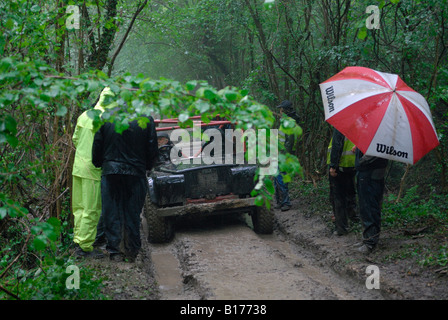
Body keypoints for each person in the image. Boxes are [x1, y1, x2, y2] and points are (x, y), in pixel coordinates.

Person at [92, 97, 159, 262]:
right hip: (136, 172)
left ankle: (114, 250)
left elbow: (97, 145)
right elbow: (152, 148)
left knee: (111, 212)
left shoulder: (105, 117)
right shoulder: (145, 119)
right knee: (133, 213)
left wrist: (100, 164)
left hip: (111, 172)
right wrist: (148, 166)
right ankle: (132, 250)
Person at [71, 93, 108, 259]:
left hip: (78, 167)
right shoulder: (105, 119)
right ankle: (85, 247)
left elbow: (75, 139)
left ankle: (78, 240)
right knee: (91, 210)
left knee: (78, 207)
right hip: (93, 171)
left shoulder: (85, 115)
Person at [355, 148, 388, 254]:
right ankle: (367, 239)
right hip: (371, 173)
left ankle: (370, 242)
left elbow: (373, 154)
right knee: (366, 206)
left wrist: (360, 161)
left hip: (370, 174)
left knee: (369, 206)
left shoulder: (380, 138)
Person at [327, 128, 358, 236]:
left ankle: (342, 228)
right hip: (352, 164)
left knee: (338, 198)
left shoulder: (341, 124)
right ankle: (354, 219)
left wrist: (333, 166)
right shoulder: (358, 123)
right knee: (350, 193)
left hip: (340, 165)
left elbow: (337, 144)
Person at [274, 100, 299, 212]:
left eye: (281, 109)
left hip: (284, 155)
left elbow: (290, 141)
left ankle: (286, 202)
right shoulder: (284, 121)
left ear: (285, 110)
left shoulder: (289, 122)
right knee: (277, 178)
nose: (279, 111)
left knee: (281, 178)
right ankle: (280, 201)